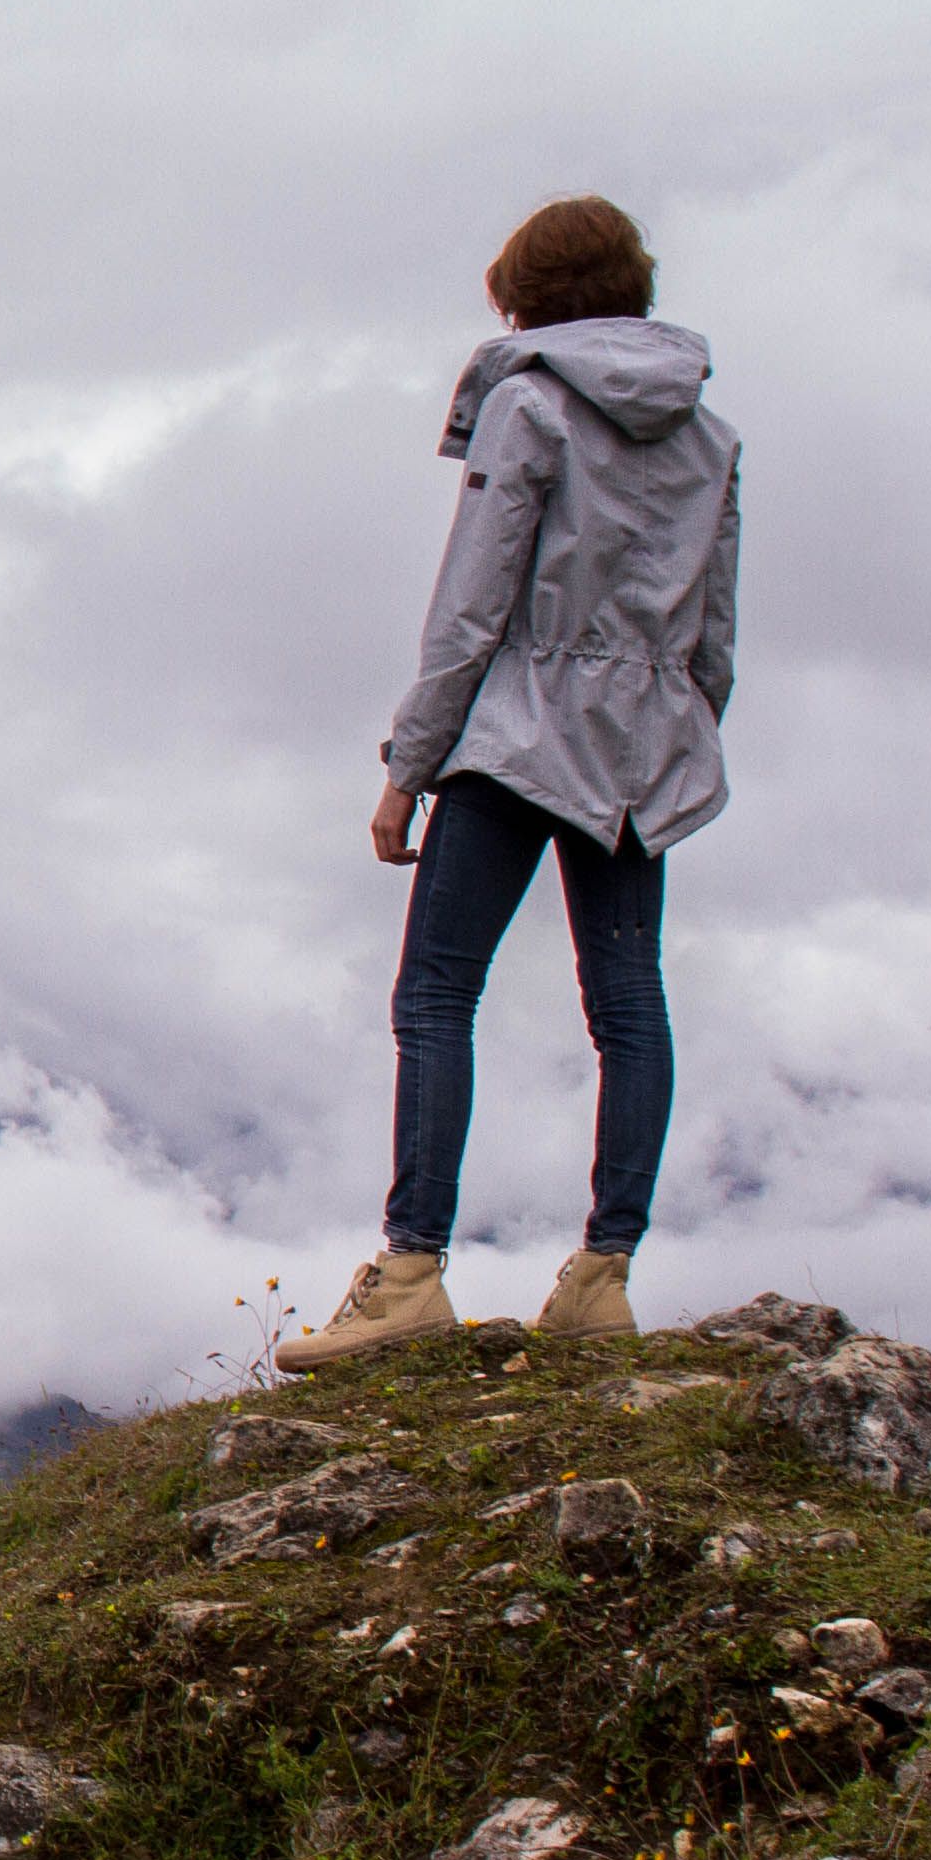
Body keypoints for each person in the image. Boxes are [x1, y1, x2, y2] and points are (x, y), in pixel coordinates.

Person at [274, 197, 739, 1372]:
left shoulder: (526, 407)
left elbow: (473, 606)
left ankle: (411, 1271)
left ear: (524, 296)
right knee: (629, 1005)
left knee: (436, 993)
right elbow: (714, 634)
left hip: (519, 737)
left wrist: (409, 767)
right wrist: (677, 734)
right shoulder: (708, 438)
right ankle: (602, 1276)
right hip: (645, 751)